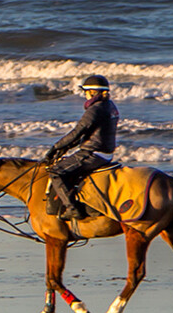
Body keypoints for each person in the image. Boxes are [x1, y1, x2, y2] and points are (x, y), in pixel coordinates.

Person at [42, 74, 119, 219]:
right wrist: (65, 148)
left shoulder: (95, 109)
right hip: (105, 153)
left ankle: (72, 209)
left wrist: (55, 147)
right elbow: (87, 133)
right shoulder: (109, 105)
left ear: (92, 92)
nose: (84, 95)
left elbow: (77, 132)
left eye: (85, 92)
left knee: (56, 172)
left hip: (93, 153)